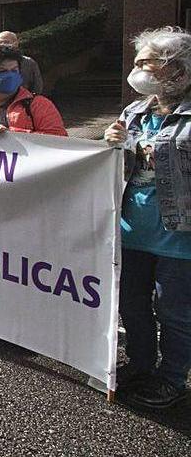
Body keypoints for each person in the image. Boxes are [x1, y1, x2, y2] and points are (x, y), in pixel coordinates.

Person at [103, 27, 191, 410]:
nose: (138, 71)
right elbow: (120, 165)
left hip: (179, 234)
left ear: (177, 69)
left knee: (173, 311)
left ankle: (172, 379)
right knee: (132, 305)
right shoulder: (134, 111)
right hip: (132, 228)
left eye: (147, 63)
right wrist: (110, 143)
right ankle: (140, 366)